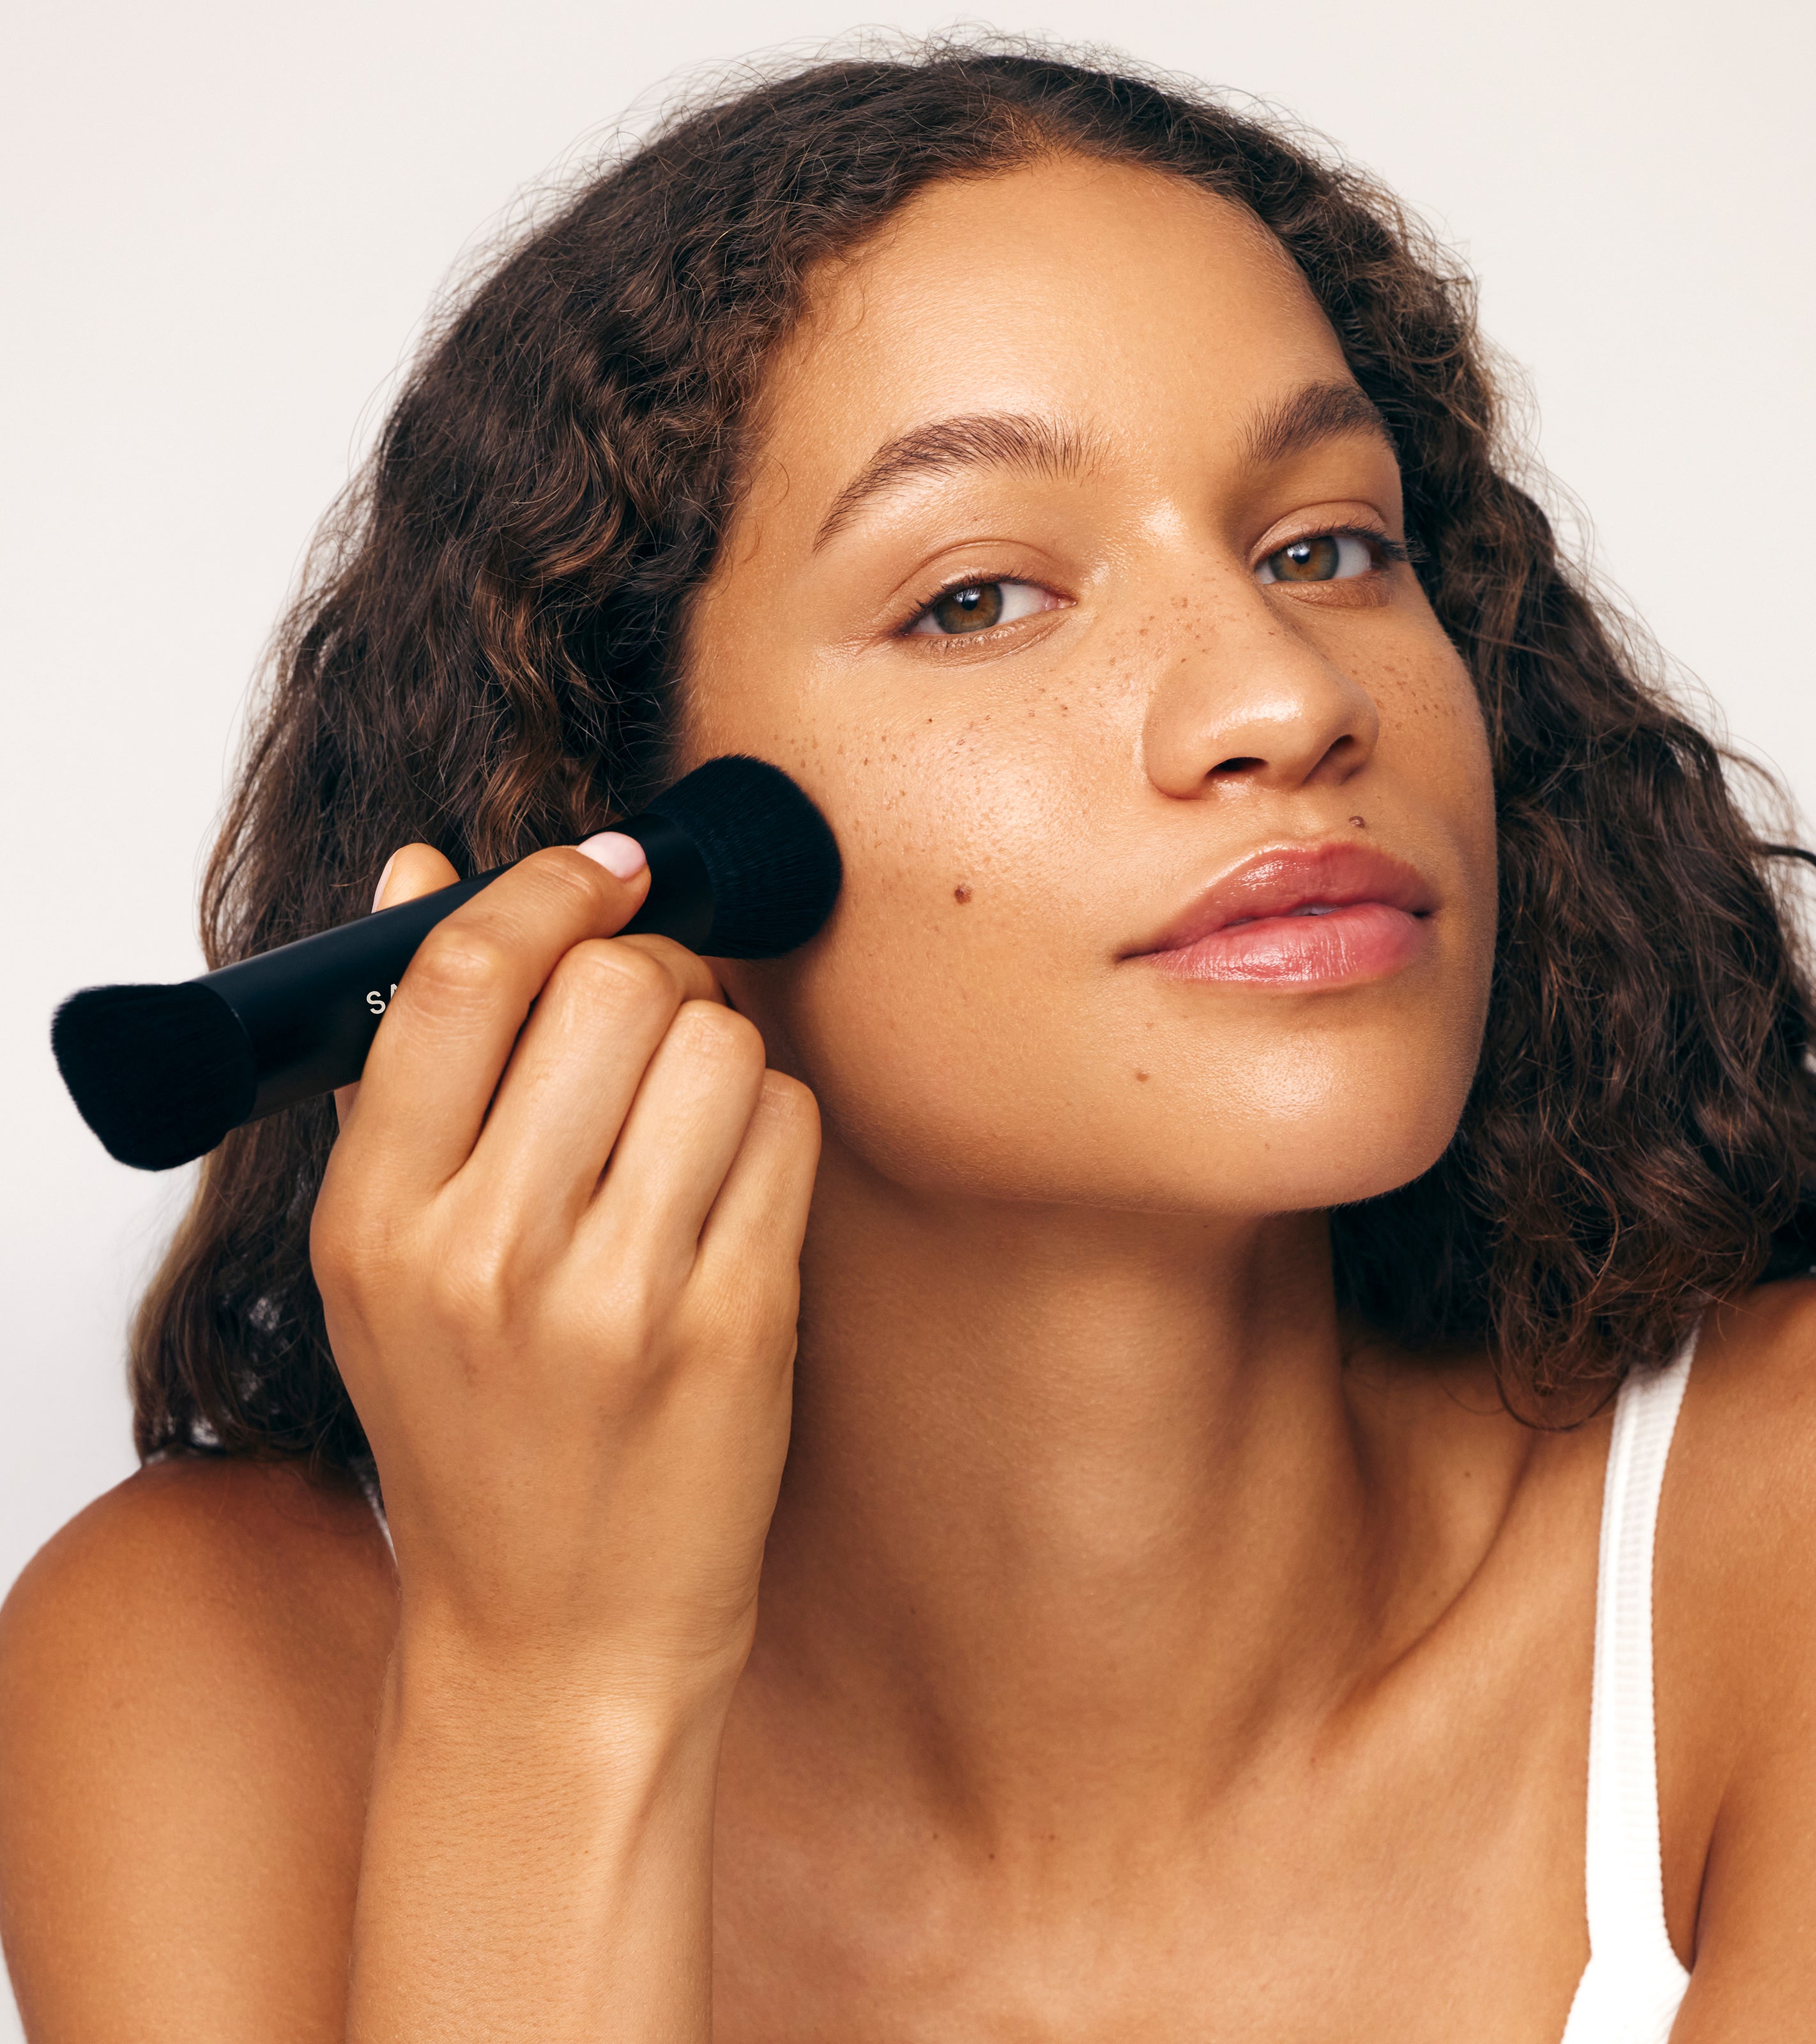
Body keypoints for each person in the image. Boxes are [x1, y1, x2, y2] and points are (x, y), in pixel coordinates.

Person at [3, 41, 1813, 2041]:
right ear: (609, 832)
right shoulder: (208, 1671)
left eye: (1325, 545)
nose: (1282, 697)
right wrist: (551, 1690)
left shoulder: (1773, 1540)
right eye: (977, 597)